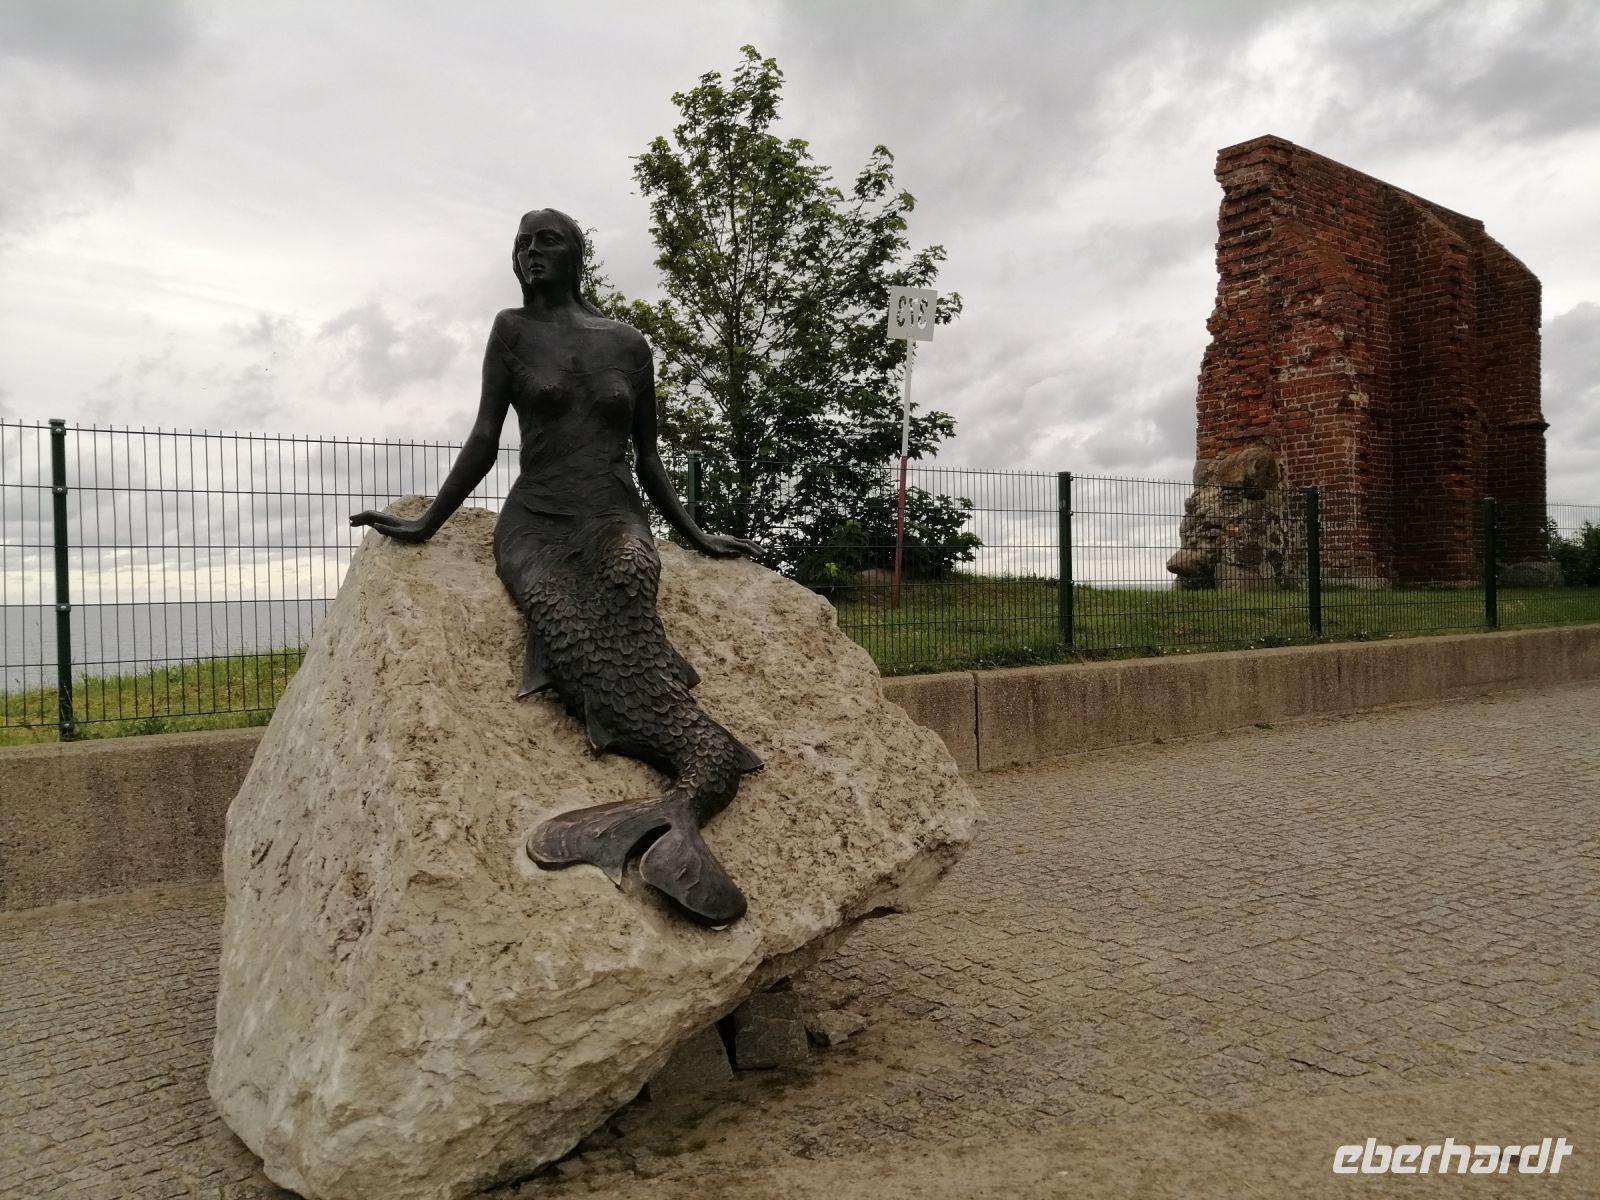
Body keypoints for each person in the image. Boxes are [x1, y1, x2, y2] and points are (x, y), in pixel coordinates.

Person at [351, 208, 762, 927]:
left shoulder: (628, 344)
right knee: (561, 619)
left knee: (632, 574)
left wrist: (696, 535)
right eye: (521, 242)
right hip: (536, 521)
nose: (530, 252)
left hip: (611, 512)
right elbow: (485, 435)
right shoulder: (511, 332)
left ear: (579, 254)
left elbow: (649, 458)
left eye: (547, 241)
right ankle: (675, 790)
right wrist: (428, 523)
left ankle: (688, 788)